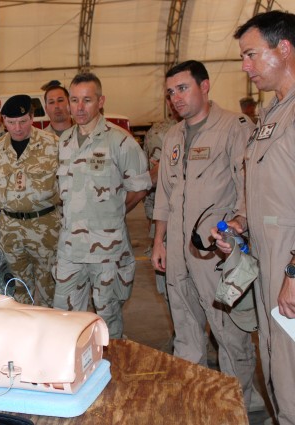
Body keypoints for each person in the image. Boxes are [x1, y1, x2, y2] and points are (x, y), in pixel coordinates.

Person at [150, 60, 258, 409]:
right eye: (170, 92)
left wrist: (238, 232)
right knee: (185, 328)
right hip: (178, 253)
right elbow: (165, 195)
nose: (176, 98)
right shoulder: (172, 136)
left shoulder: (233, 127)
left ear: (205, 86)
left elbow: (248, 186)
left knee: (229, 333)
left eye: (182, 88)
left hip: (216, 253)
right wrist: (158, 242)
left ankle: (237, 404)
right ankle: (196, 402)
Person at [223, 11, 295, 424]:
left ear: (283, 48)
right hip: (269, 263)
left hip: (288, 265)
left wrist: (293, 270)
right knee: (275, 363)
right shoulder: (271, 114)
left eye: (251, 55)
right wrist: (240, 224)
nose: (245, 66)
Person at [53, 73, 150, 340]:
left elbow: (140, 186)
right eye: (74, 100)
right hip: (70, 250)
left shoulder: (120, 141)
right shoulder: (64, 141)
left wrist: (113, 213)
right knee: (66, 319)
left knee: (107, 321)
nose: (79, 107)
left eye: (87, 100)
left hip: (107, 252)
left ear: (101, 101)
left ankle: (112, 372)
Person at [0, 94, 60, 307]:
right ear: (3, 121)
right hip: (10, 228)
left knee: (50, 285)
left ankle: (52, 335)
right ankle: (24, 333)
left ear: (32, 117)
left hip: (45, 227)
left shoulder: (53, 145)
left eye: (23, 121)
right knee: (17, 287)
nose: (17, 128)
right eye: (11, 122)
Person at [143, 95, 180, 302]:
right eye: (170, 96)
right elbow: (150, 182)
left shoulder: (221, 128)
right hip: (166, 222)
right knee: (170, 289)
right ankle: (178, 333)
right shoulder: (156, 134)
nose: (175, 100)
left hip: (204, 222)